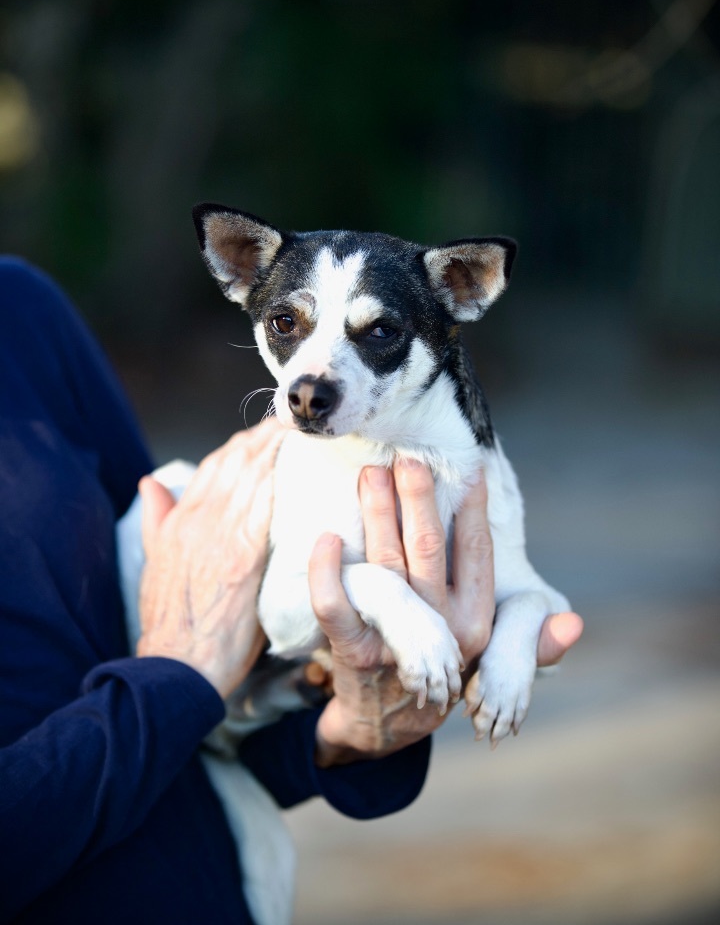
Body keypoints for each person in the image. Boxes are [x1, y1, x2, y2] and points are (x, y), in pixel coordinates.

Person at [0, 257, 583, 924]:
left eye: (375, 332)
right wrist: (173, 686)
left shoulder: (20, 309)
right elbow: (191, 658)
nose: (313, 379)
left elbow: (184, 584)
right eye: (286, 325)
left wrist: (343, 733)